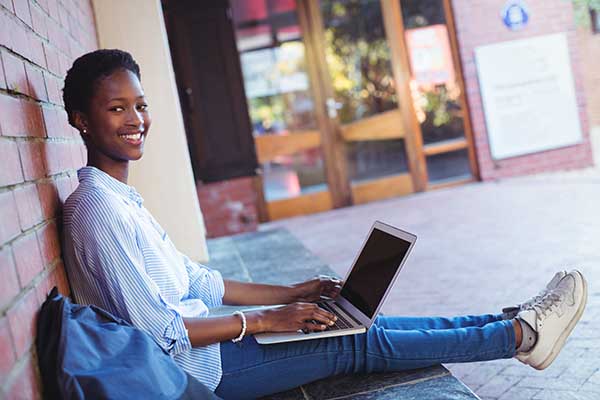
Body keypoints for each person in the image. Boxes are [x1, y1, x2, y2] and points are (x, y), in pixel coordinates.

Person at [61, 49, 587, 400]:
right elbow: (162, 336)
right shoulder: (96, 210)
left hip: (212, 349)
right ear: (81, 120)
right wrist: (269, 320)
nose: (136, 120)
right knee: (354, 342)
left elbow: (201, 283)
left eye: (141, 105)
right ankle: (520, 335)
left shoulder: (121, 199)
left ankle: (511, 325)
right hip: (199, 372)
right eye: (116, 108)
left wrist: (298, 291)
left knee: (361, 325)